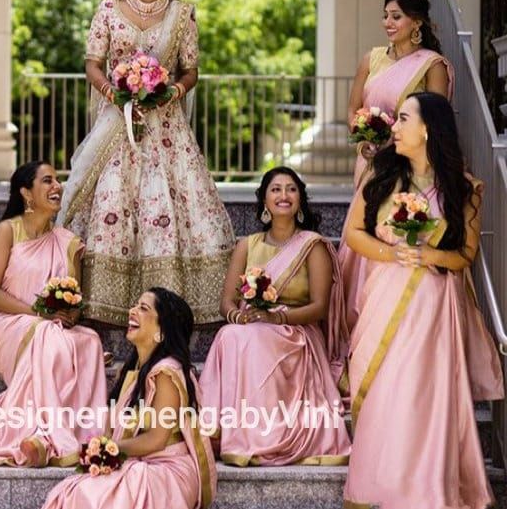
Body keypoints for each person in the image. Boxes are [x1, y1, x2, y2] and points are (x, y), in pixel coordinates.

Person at [57, 0, 234, 326]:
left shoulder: (182, 13)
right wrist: (114, 94)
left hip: (166, 124)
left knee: (169, 203)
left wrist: (172, 90)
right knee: (110, 197)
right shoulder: (108, 9)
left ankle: (170, 302)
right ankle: (105, 299)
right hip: (117, 121)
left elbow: (191, 69)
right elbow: (92, 63)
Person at [343, 92, 503, 508]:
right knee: (385, 389)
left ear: (428, 128)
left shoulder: (462, 188)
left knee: (424, 394)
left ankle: (427, 490)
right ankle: (381, 486)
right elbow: (354, 234)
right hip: (385, 296)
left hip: (434, 306)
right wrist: (393, 253)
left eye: (403, 119)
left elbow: (465, 256)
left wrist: (431, 255)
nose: (393, 127)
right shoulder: (382, 174)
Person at [0, 161, 107, 467]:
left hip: (47, 328)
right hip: (3, 323)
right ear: (26, 192)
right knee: (47, 336)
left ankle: (54, 436)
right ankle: (35, 435)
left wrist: (69, 316)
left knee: (89, 340)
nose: (57, 187)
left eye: (58, 181)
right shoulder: (6, 232)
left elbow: (74, 303)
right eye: (47, 181)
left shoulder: (68, 243)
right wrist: (38, 314)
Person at [200, 167, 350, 466]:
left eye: (291, 189)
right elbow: (226, 302)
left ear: (300, 199)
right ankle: (227, 431)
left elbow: (319, 307)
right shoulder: (248, 245)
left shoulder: (313, 245)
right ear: (265, 201)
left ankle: (265, 437)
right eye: (276, 189)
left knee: (253, 339)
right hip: (253, 325)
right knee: (229, 334)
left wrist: (277, 319)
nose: (284, 195)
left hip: (296, 331)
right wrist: (239, 317)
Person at [339, 0, 454, 329]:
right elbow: (353, 108)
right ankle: (355, 321)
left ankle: (391, 317)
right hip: (369, 158)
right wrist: (363, 138)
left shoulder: (432, 65)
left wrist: (397, 140)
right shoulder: (371, 59)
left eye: (397, 16)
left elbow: (438, 118)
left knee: (390, 226)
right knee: (361, 227)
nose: (388, 23)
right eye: (385, 15)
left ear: (416, 22)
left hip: (408, 162)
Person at [42, 287, 217, 509]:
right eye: (135, 305)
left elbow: (157, 439)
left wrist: (110, 449)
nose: (132, 311)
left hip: (167, 470)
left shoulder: (166, 372)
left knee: (93, 494)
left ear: (162, 330)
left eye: (143, 308)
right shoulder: (130, 372)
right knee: (74, 489)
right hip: (140, 463)